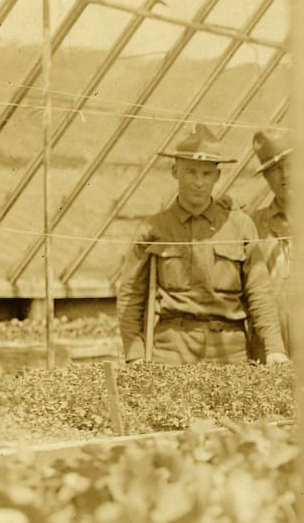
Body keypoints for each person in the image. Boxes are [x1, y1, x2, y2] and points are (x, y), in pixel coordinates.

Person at [117, 124, 287, 365]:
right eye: (190, 172)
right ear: (175, 171)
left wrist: (274, 349)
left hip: (230, 351)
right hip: (172, 349)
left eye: (206, 174)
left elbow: (259, 292)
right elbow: (131, 296)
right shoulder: (153, 229)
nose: (198, 182)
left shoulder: (240, 226)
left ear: (217, 176)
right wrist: (134, 354)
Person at [248, 129, 293, 362]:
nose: (285, 175)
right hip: (270, 350)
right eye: (275, 169)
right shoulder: (253, 224)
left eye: (291, 164)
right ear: (265, 177)